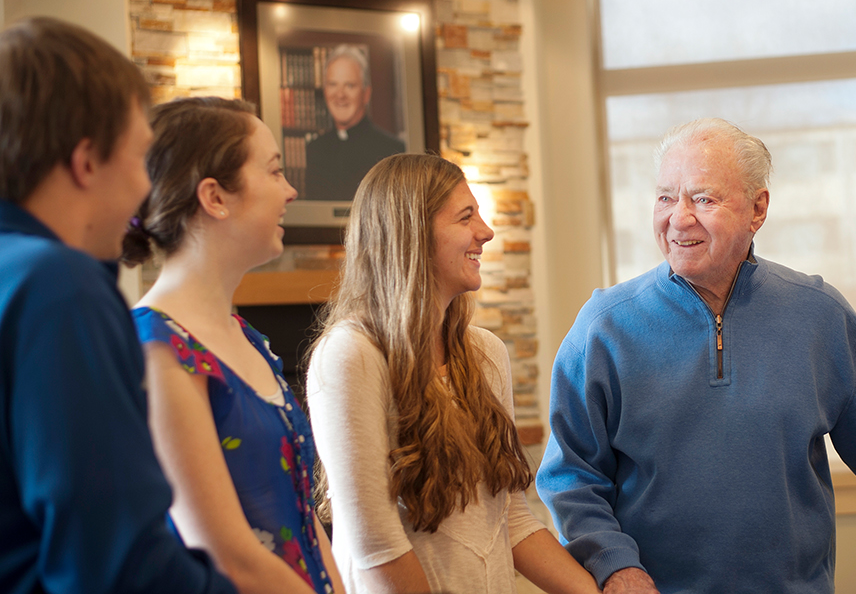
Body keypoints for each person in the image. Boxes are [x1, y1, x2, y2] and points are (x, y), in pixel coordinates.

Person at [536, 118, 856, 594]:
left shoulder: (819, 316)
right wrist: (614, 565)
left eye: (704, 198)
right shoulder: (604, 326)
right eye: (666, 197)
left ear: (758, 209)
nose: (679, 217)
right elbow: (570, 475)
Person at [0, 18, 235, 594]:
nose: (145, 194)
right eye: (141, 158)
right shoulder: (55, 287)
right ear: (86, 161)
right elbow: (117, 565)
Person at [305, 154, 597, 594]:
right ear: (412, 235)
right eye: (466, 217)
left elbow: (512, 519)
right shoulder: (350, 355)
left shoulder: (485, 353)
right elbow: (375, 547)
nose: (486, 231)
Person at [120, 97, 343, 594]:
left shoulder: (246, 337)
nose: (290, 190)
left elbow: (305, 517)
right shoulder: (158, 349)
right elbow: (224, 554)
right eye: (273, 171)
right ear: (215, 197)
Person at [304, 45, 407, 201]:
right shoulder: (315, 149)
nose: (340, 94)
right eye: (333, 84)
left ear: (366, 94)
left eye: (349, 85)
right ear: (325, 91)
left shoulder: (393, 150)